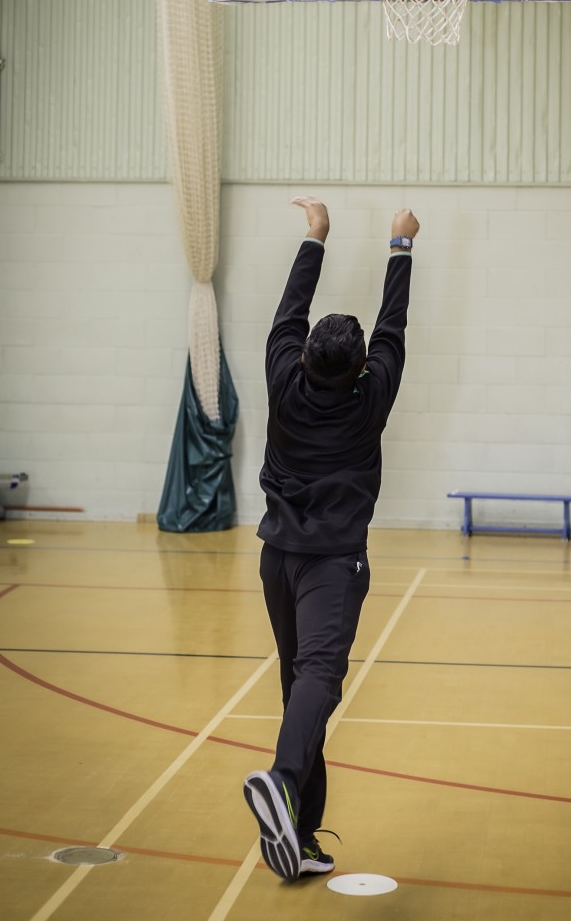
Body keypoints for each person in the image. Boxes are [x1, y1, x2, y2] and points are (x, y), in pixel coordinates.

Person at [243, 195, 419, 883]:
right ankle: (284, 784)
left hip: (275, 557)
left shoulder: (282, 377)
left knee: (299, 687)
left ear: (307, 353)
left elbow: (288, 309)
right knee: (318, 678)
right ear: (359, 369)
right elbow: (394, 328)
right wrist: (400, 248)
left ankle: (301, 838)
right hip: (330, 566)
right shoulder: (370, 398)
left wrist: (315, 236)